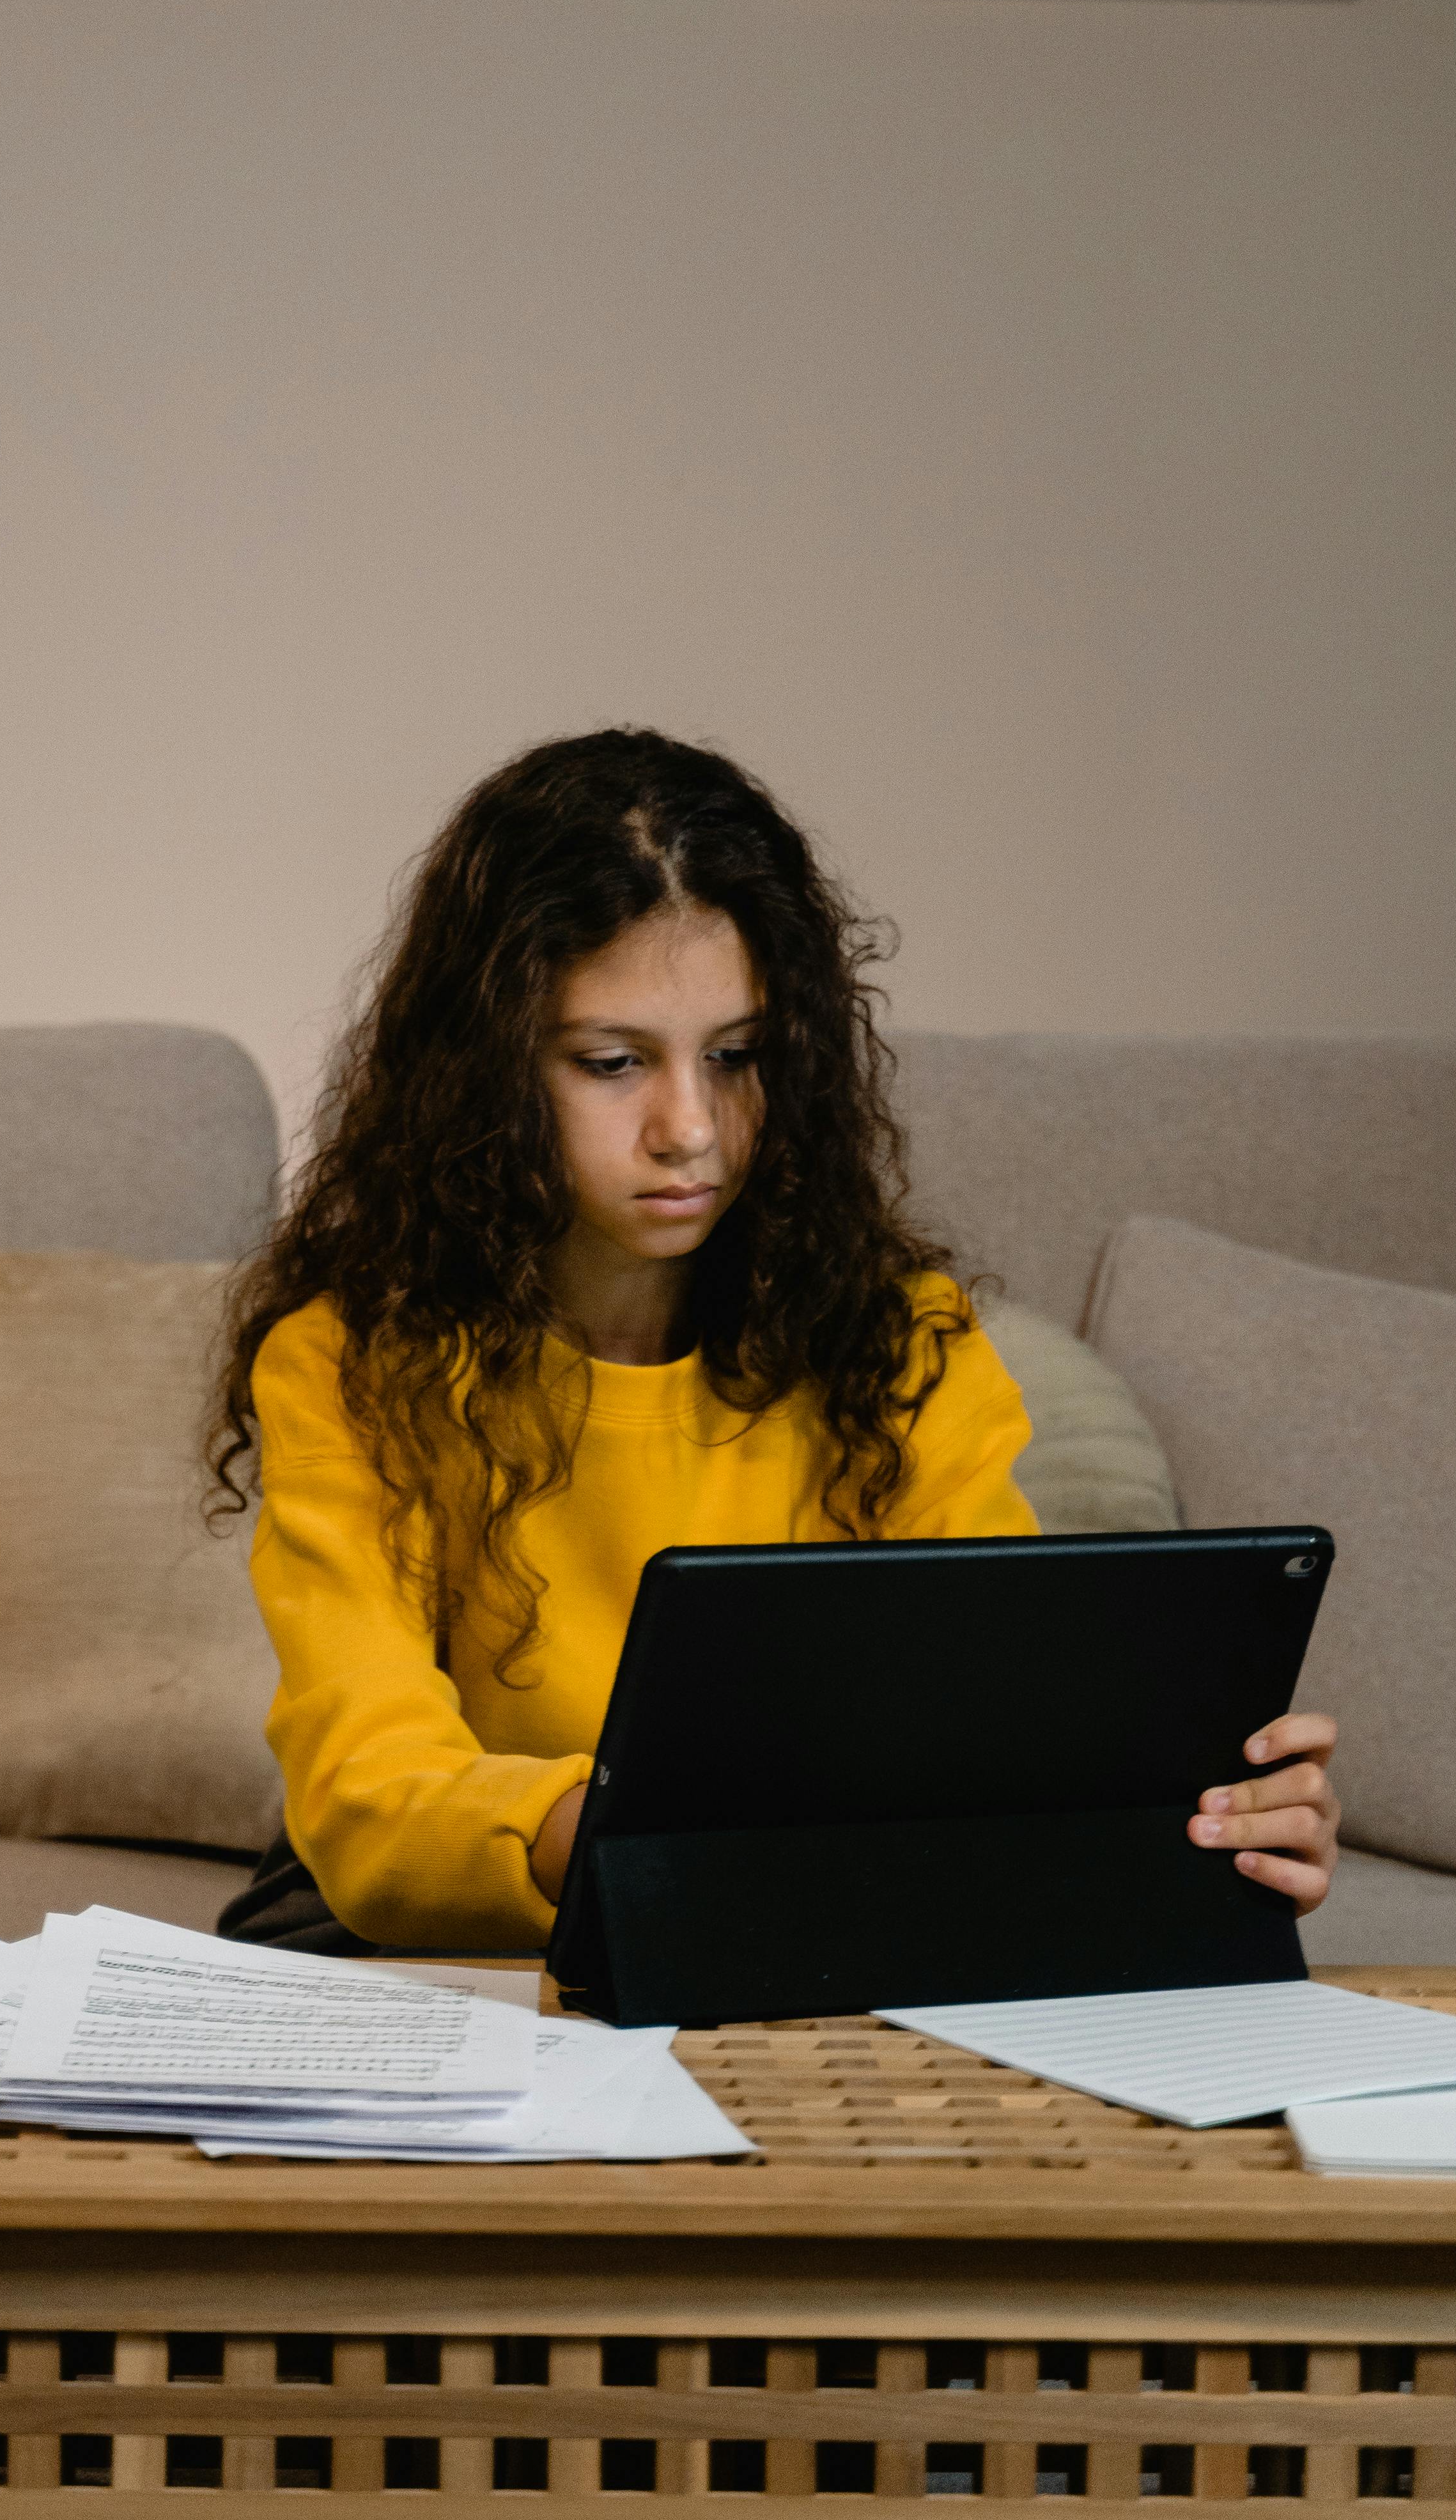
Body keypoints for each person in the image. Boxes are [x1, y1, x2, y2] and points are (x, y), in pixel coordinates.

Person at [210, 729, 1339, 1954]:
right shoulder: (350, 1357)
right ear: (480, 1075)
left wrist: (1209, 1814)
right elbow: (374, 1790)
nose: (689, 1128)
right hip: (431, 1909)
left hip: (780, 1894)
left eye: (738, 1058)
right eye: (610, 1063)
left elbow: (992, 1729)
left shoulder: (906, 1347)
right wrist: (615, 1826)